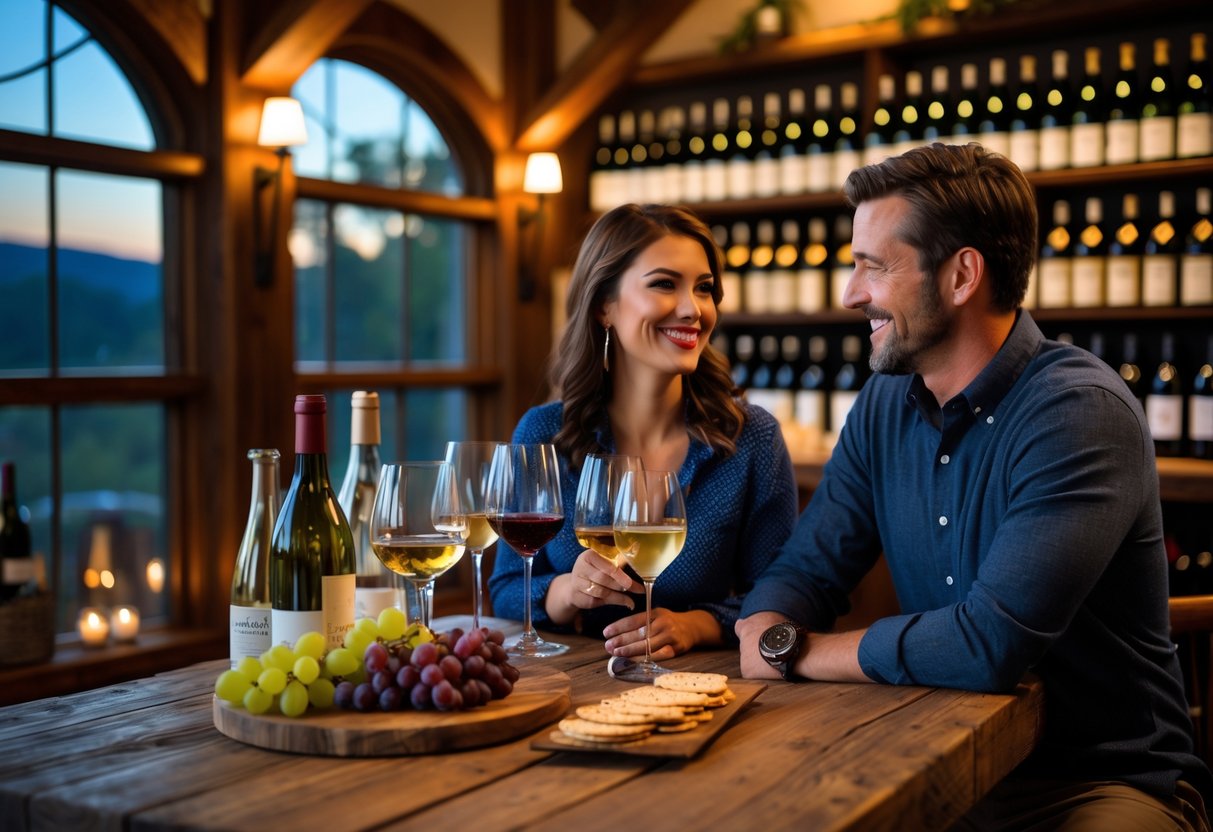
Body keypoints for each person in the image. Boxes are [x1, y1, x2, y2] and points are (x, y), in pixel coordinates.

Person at [736, 143, 1212, 830]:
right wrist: (766, 620)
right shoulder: (884, 402)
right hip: (930, 763)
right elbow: (806, 569)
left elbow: (986, 645)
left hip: (1096, 785)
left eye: (872, 266)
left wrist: (793, 650)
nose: (849, 294)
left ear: (961, 275)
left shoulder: (1077, 413)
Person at [489, 203, 798, 660]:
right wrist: (566, 591)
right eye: (664, 285)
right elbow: (507, 587)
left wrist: (698, 625)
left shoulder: (751, 438)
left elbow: (783, 594)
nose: (693, 309)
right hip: (566, 684)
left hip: (707, 692)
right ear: (603, 307)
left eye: (705, 288)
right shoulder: (544, 432)